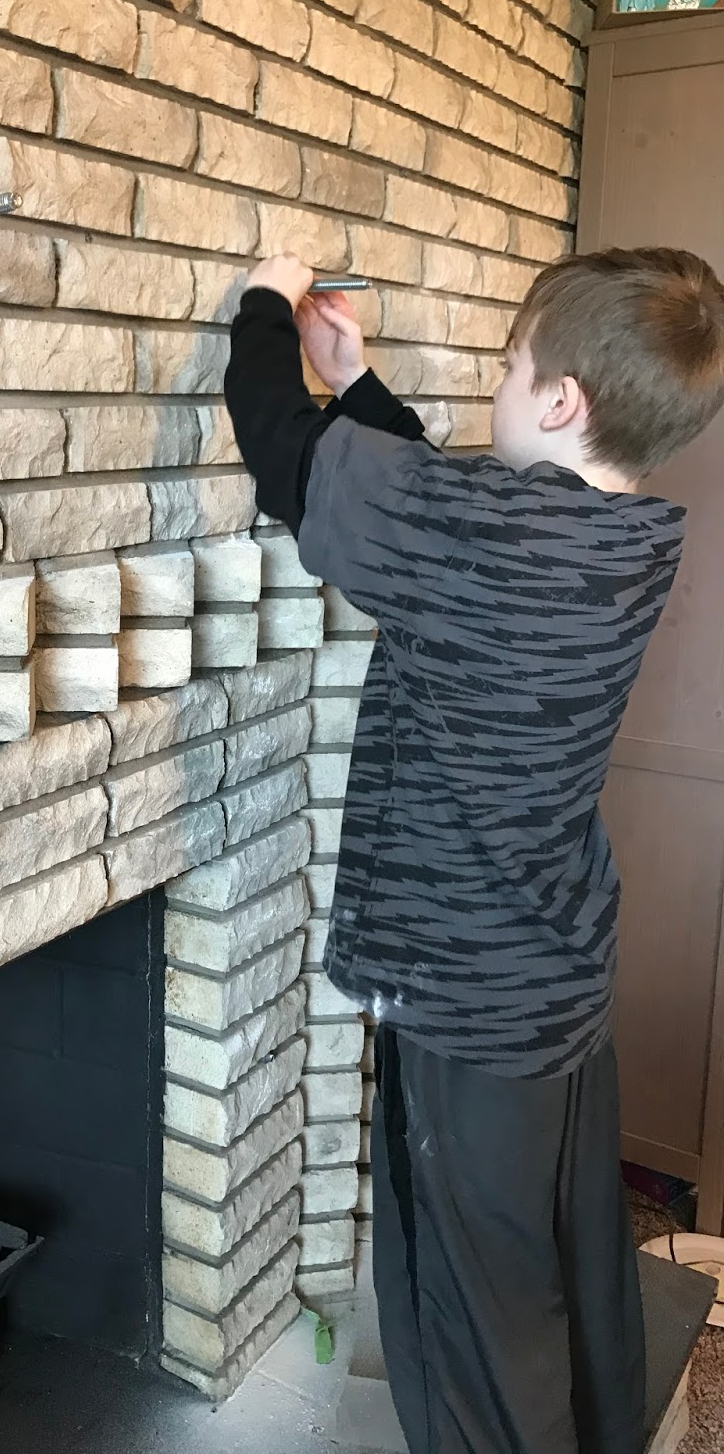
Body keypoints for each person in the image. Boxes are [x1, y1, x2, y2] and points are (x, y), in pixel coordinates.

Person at [223, 247, 724, 1454]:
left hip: (466, 998)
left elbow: (285, 457)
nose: (497, 385)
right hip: (549, 978)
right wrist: (358, 381)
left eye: (511, 366)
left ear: (560, 403)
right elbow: (439, 508)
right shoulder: (615, 537)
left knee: (470, 1317)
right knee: (556, 1254)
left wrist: (263, 300)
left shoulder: (488, 535)